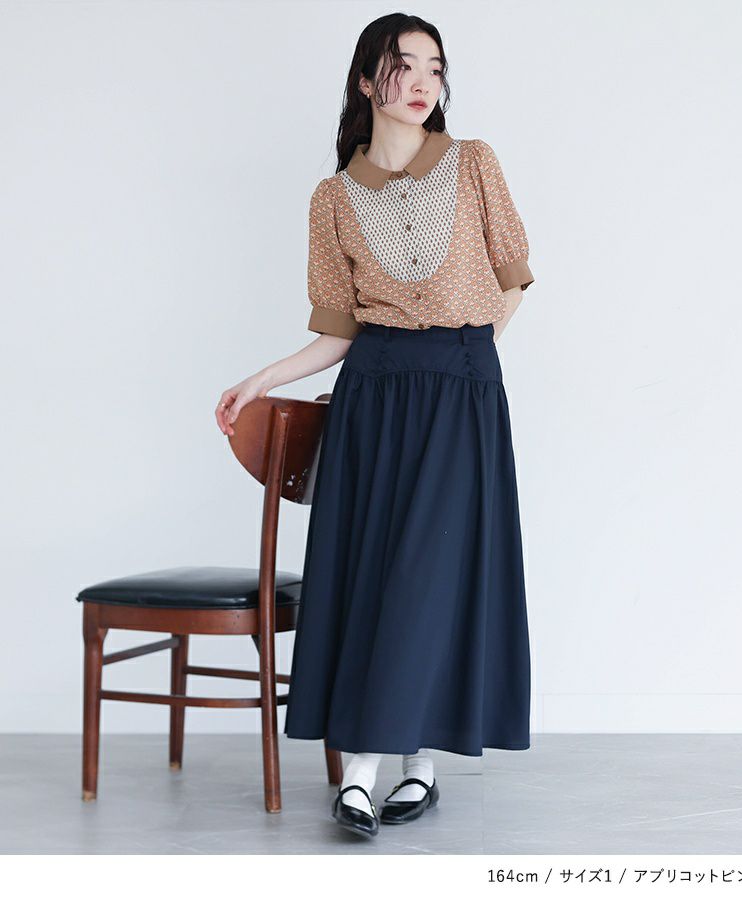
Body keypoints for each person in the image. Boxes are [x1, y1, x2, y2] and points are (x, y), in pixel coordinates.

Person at [215, 13, 534, 839]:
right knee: (370, 572)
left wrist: (465, 360)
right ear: (366, 80)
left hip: (460, 392)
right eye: (403, 65)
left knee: (432, 574)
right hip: (373, 395)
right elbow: (338, 331)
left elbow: (512, 281)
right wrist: (261, 379)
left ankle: (387, 767)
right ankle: (386, 772)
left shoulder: (474, 163)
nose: (423, 82)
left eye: (435, 66)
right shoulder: (332, 199)